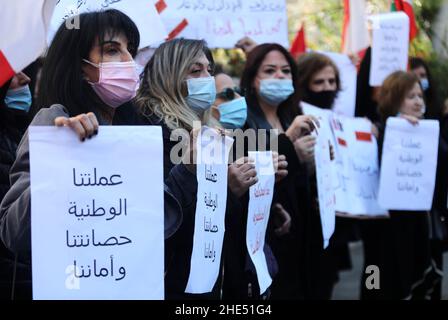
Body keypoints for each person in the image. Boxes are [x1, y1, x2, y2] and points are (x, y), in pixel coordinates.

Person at [0, 10, 183, 299]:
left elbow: (162, 225)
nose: (127, 61)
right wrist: (61, 158)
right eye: (112, 50)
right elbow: (14, 233)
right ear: (79, 65)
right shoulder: (54, 121)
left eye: (130, 51)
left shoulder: (138, 132)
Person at [240, 43, 320, 300]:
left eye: (286, 71)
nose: (280, 77)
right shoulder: (241, 121)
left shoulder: (293, 115)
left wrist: (313, 163)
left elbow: (298, 176)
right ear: (253, 79)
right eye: (270, 70)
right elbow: (251, 173)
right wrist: (289, 145)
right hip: (266, 236)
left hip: (299, 231)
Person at [360, 71, 443, 300]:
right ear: (394, 100)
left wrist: (419, 134)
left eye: (420, 95)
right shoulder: (378, 131)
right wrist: (397, 132)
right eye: (410, 96)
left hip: (420, 226)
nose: (418, 101)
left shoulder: (428, 131)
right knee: (377, 281)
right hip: (384, 230)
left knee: (418, 281)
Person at [296, 52, 359, 299]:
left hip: (334, 221)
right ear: (304, 85)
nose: (327, 88)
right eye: (319, 83)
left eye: (332, 82)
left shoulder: (339, 121)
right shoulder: (296, 120)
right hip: (306, 226)